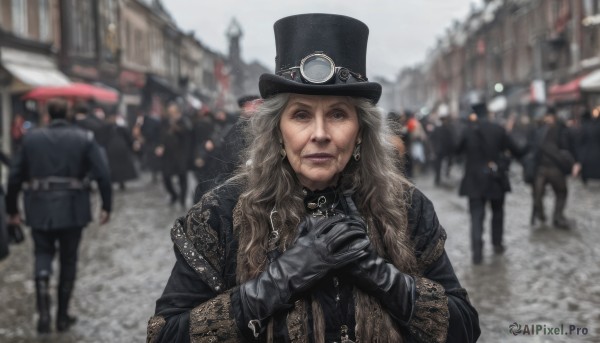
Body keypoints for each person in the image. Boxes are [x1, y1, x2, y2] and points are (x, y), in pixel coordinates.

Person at [147, 14, 480, 342]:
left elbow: (464, 328)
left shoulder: (406, 206)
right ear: (278, 130)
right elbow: (165, 335)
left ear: (360, 130)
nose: (319, 134)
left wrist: (382, 277)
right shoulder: (221, 212)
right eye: (301, 115)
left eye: (338, 114)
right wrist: (277, 281)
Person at [5, 98, 112, 334]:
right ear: (69, 114)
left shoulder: (31, 139)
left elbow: (14, 177)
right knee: (69, 260)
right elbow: (103, 173)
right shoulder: (84, 138)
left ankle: (43, 303)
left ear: (47, 116)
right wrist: (107, 206)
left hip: (39, 207)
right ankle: (62, 316)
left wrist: (12, 210)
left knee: (42, 254)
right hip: (74, 208)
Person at [456, 101, 524, 264]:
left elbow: (456, 150)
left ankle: (477, 253)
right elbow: (516, 150)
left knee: (476, 216)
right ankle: (497, 243)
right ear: (488, 113)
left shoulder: (467, 131)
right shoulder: (498, 130)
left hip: (474, 180)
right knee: (498, 212)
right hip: (495, 178)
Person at [528, 108, 575, 229]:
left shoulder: (557, 130)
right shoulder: (548, 130)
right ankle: (546, 216)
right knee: (539, 195)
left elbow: (567, 147)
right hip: (545, 168)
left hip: (552, 168)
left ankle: (556, 216)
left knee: (560, 193)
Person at [155, 103, 192, 207]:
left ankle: (182, 199)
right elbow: (161, 136)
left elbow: (186, 133)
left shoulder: (184, 121)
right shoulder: (165, 122)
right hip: (168, 155)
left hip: (181, 155)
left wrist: (176, 127)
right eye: (169, 112)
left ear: (177, 112)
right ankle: (174, 195)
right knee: (166, 177)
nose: (171, 114)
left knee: (182, 177)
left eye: (173, 112)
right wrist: (160, 146)